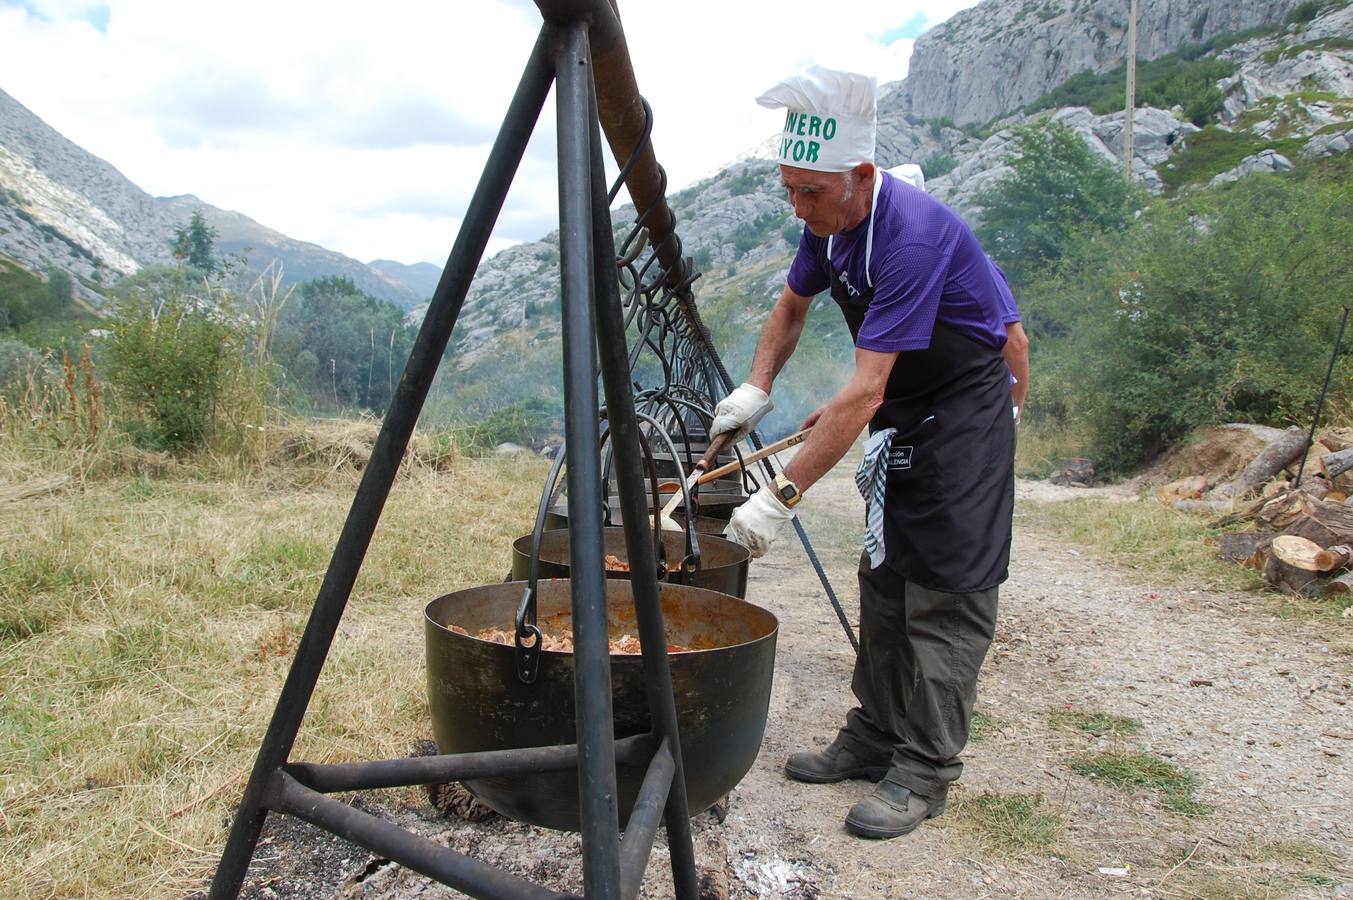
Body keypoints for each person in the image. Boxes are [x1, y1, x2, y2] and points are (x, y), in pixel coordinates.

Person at [710, 65, 1018, 841]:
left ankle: (923, 770)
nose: (797, 207)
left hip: (964, 414)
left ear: (862, 175)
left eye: (809, 192)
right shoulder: (826, 226)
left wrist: (777, 495)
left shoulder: (912, 235)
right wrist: (755, 388)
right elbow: (790, 305)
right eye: (788, 189)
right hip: (905, 407)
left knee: (943, 590)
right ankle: (872, 733)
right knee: (883, 577)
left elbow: (867, 388)